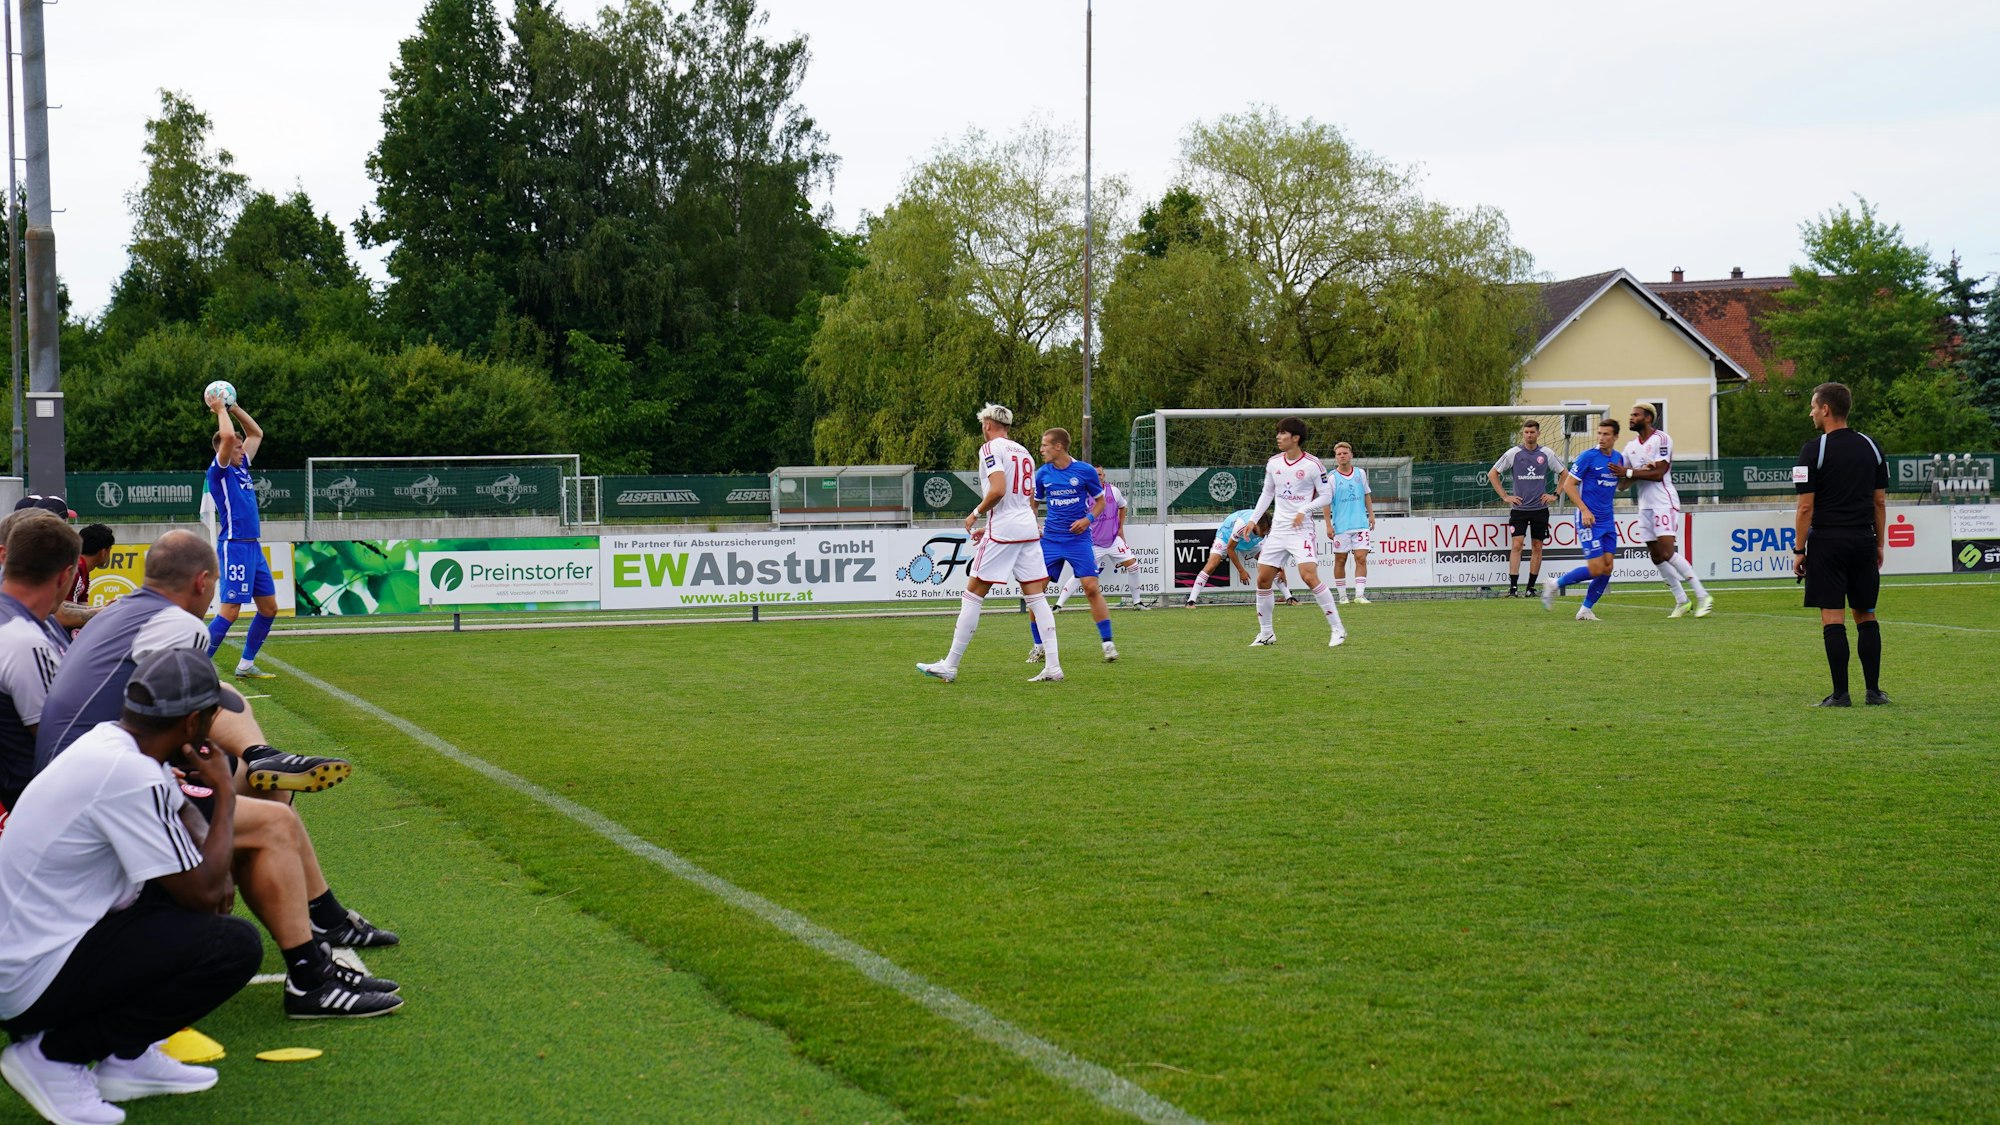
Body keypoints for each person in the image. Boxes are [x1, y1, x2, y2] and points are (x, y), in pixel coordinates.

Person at [0, 649, 262, 1125]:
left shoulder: (115, 746)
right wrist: (224, 792)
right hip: (26, 980)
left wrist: (182, 799)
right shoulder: (129, 774)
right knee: (233, 948)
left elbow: (199, 869)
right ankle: (55, 1056)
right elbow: (210, 895)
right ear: (190, 725)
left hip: (31, 951)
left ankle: (127, 1058)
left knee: (173, 893)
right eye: (209, 714)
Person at [918, 404, 1063, 683]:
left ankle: (950, 664)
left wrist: (975, 514)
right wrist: (990, 527)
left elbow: (998, 490)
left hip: (1006, 529)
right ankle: (1053, 666)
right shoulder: (1025, 452)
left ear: (987, 424)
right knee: (1036, 597)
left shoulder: (989, 449)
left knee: (972, 594)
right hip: (1027, 529)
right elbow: (1024, 500)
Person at [1792, 382, 1890, 707]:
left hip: (1828, 543)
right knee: (1866, 614)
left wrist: (1799, 549)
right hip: (1863, 539)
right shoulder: (1872, 446)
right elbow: (1879, 502)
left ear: (1826, 409)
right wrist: (1879, 543)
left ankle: (1840, 694)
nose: (1809, 412)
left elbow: (1805, 506)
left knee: (1833, 617)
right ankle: (1874, 692)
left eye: (1812, 406)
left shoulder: (1812, 450)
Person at [1241, 417, 1347, 647]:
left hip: (1301, 530)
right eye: (1278, 433)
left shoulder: (1312, 464)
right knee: (1263, 579)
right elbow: (1267, 494)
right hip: (1278, 530)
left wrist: (1304, 509)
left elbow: (1326, 495)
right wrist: (1252, 520)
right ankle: (1266, 633)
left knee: (1308, 576)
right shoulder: (1274, 463)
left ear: (1295, 438)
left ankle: (1338, 629)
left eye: (1283, 433)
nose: (1278, 437)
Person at [0, 515, 80, 819]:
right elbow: (61, 742)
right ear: (65, 576)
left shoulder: (27, 623)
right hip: (47, 805)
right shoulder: (24, 641)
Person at [204, 393, 280, 679]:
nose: (241, 450)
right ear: (224, 450)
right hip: (234, 546)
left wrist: (234, 407)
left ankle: (245, 665)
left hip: (252, 548)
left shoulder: (242, 466)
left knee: (269, 608)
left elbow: (256, 432)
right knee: (231, 609)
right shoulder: (220, 471)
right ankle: (197, 665)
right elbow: (226, 438)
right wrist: (220, 410)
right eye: (237, 448)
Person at [1025, 429, 1118, 664]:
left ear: (1059, 447)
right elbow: (1033, 504)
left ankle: (1108, 644)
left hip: (1078, 540)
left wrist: (1088, 519)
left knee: (1091, 588)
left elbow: (1100, 502)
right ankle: (1038, 645)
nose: (1041, 449)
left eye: (1045, 445)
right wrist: (1033, 525)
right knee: (1036, 592)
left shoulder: (1084, 471)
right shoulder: (1043, 474)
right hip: (1051, 540)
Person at [1622, 402, 1714, 618]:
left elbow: (1659, 473)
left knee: (1667, 552)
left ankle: (1703, 596)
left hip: (1664, 501)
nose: (1631, 418)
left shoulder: (1662, 439)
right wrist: (1626, 474)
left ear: (1648, 418)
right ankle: (1682, 600)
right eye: (1631, 414)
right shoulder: (1629, 447)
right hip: (1644, 505)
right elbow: (1622, 483)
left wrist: (1630, 472)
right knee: (1655, 556)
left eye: (1635, 415)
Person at [1541, 419, 1625, 620]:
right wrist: (1584, 510)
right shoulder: (1588, 456)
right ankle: (1554, 584)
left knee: (1608, 567)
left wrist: (1635, 473)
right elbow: (1569, 485)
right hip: (1588, 519)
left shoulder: (1618, 458)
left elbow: (1621, 486)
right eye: (1599, 433)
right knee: (1596, 568)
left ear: (1615, 437)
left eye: (1606, 434)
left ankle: (1585, 609)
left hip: (1607, 520)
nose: (1601, 438)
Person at [1488, 421, 1564, 597]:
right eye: (1526, 432)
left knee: (1537, 546)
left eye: (1532, 432)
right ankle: (1513, 588)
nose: (1529, 435)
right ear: (1523, 434)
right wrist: (1505, 497)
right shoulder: (1514, 453)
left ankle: (1530, 588)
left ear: (1538, 434)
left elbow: (1564, 474)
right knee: (1517, 545)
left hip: (1540, 509)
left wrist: (1555, 494)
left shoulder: (1546, 453)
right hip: (1519, 509)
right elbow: (1492, 473)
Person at [1054, 482, 1148, 611]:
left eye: (1101, 474)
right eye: (1096, 474)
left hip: (1113, 540)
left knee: (1133, 567)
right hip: (1093, 544)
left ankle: (1137, 602)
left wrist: (1120, 528)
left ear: (1104, 476)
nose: (1098, 477)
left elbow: (1123, 506)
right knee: (1080, 574)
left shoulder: (1114, 491)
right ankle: (1058, 605)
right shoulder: (1084, 494)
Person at [1183, 509, 1293, 606]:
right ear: (1255, 525)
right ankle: (1191, 601)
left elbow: (1275, 551)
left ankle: (1289, 598)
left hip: (1250, 542)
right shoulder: (1242, 525)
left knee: (1269, 564)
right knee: (1212, 564)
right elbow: (1230, 549)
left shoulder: (1269, 527)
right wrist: (1241, 571)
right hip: (1226, 537)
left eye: (1266, 532)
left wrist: (1280, 568)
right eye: (1262, 531)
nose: (1265, 534)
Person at [1323, 442, 1376, 604]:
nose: (1342, 456)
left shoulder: (1360, 473)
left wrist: (1371, 515)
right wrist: (1328, 524)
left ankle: (1359, 595)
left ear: (1351, 455)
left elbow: (1367, 494)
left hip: (1360, 524)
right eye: (1339, 454)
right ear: (1336, 457)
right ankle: (1342, 596)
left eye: (1345, 453)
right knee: (1340, 560)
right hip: (1341, 526)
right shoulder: (1332, 478)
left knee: (1361, 558)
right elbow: (1326, 502)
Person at [55, 524, 115, 636]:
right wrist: (105, 611)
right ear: (103, 553)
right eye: (110, 550)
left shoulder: (82, 570)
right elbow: (63, 615)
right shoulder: (75, 569)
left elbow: (80, 607)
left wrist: (104, 608)